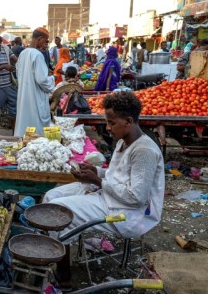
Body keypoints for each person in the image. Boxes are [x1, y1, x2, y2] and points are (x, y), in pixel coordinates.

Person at [43, 91, 164, 289]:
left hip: (128, 212)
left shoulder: (144, 151)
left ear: (128, 121)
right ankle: (59, 250)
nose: (107, 128)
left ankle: (64, 276)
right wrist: (96, 171)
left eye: (111, 123)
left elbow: (136, 198)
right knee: (51, 196)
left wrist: (97, 181)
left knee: (56, 209)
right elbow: (117, 174)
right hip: (111, 196)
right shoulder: (124, 140)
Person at [14, 27, 55, 137]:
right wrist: (53, 79)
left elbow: (19, 74)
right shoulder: (37, 55)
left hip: (24, 96)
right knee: (36, 128)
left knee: (24, 125)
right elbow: (42, 80)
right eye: (45, 41)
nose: (45, 44)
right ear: (40, 39)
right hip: (35, 98)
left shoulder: (23, 54)